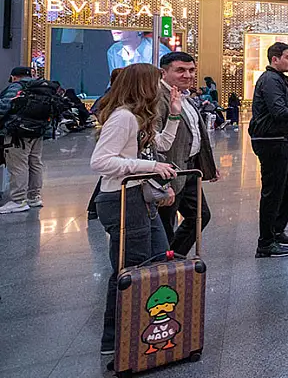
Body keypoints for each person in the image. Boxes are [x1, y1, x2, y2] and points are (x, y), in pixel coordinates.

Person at [90, 63, 181, 357]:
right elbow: (101, 161)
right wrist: (150, 167)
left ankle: (142, 327)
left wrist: (175, 115)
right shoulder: (123, 118)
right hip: (122, 200)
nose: (160, 88)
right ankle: (114, 338)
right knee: (129, 269)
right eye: (156, 82)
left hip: (139, 198)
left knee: (158, 258)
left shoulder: (140, 118)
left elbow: (161, 146)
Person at [156, 52, 219, 255]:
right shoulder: (159, 99)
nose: (188, 75)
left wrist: (207, 166)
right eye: (180, 70)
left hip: (189, 169)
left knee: (200, 215)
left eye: (191, 70)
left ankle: (173, 257)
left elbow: (195, 135)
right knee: (165, 223)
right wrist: (162, 183)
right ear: (163, 72)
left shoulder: (186, 97)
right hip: (169, 172)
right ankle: (162, 267)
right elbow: (154, 143)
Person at [248, 42, 288, 259]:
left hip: (279, 138)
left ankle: (276, 230)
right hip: (270, 140)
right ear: (275, 59)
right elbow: (279, 111)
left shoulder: (279, 79)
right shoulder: (270, 80)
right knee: (273, 190)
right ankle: (266, 242)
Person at [0, 67, 54, 213]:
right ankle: (34, 196)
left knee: (18, 165)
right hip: (37, 131)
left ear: (14, 77)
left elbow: (4, 106)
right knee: (35, 162)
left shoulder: (16, 87)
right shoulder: (40, 87)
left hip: (17, 133)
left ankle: (18, 200)